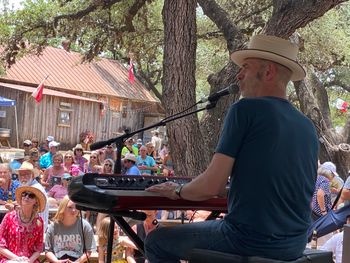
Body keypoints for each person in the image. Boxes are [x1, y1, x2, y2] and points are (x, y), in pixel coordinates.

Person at [145, 35, 319, 262]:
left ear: (268, 73)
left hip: (247, 239)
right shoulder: (307, 125)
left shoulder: (245, 109)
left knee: (157, 241)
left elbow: (211, 185)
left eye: (246, 67)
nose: (238, 75)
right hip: (294, 245)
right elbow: (280, 192)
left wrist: (177, 191)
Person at [0, 185, 46, 263]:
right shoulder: (9, 217)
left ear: (36, 201)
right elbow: (0, 244)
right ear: (21, 198)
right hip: (9, 259)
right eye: (24, 194)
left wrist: (29, 261)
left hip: (30, 260)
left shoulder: (39, 222)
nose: (27, 197)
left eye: (31, 195)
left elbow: (39, 247)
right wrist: (18, 259)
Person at [45, 195, 96, 262]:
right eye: (70, 207)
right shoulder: (53, 226)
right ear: (63, 208)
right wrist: (56, 261)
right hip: (57, 260)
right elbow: (48, 251)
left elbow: (88, 251)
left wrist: (76, 262)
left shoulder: (85, 226)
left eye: (76, 207)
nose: (74, 210)